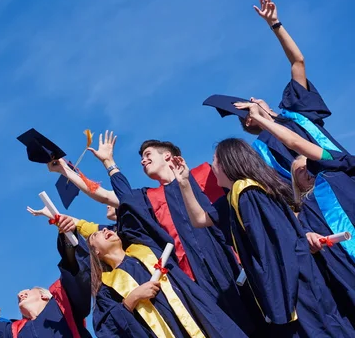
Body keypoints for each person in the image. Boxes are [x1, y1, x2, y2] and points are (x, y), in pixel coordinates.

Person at [49, 131, 256, 335]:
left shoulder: (203, 173)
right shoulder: (148, 198)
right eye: (141, 158)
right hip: (190, 280)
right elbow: (104, 195)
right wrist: (69, 171)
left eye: (148, 155)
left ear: (167, 155)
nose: (142, 161)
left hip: (230, 260)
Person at [172, 136, 355, 336]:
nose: (212, 166)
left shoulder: (248, 191)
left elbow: (277, 243)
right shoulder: (234, 197)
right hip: (290, 284)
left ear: (228, 162)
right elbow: (199, 219)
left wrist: (277, 293)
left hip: (293, 283)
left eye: (215, 160)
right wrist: (184, 182)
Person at [204, 0, 349, 181]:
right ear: (249, 120)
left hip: (346, 174)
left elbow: (298, 62)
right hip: (321, 202)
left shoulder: (297, 113)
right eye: (250, 103)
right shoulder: (260, 152)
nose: (254, 99)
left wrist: (274, 23)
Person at [235, 100, 355, 325]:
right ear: (295, 183)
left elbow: (294, 141)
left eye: (309, 165)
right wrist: (309, 238)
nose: (307, 170)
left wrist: (262, 116)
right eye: (300, 170)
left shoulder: (334, 169)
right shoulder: (306, 213)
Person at [61, 198, 250, 337]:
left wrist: (109, 164)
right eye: (95, 236)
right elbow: (107, 329)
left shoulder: (147, 248)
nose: (105, 230)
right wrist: (131, 300)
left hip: (201, 321)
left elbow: (131, 211)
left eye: (107, 229)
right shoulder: (107, 288)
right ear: (96, 253)